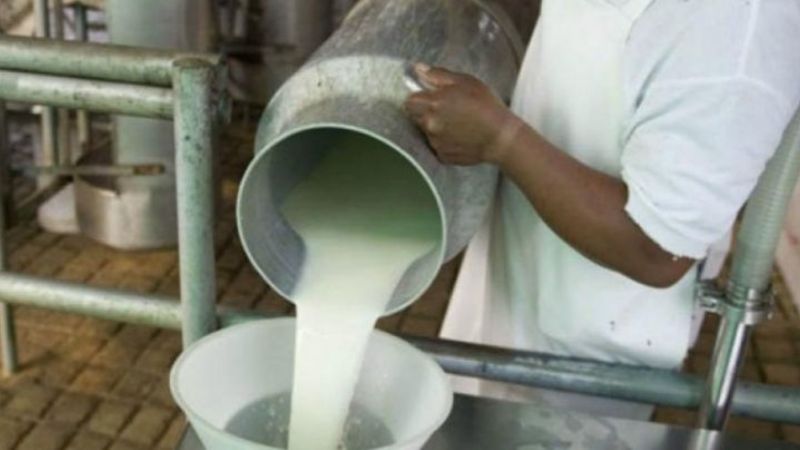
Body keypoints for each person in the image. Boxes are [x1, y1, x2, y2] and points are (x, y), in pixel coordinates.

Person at [405, 0, 800, 419]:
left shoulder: (733, 25)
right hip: (515, 288)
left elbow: (655, 249)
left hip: (579, 370)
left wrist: (499, 139)